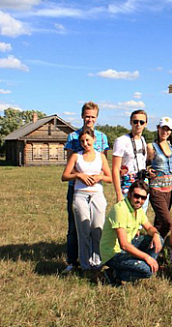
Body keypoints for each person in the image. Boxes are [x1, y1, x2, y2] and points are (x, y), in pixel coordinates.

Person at [62, 101, 109, 274]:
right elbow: (70, 163)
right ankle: (73, 261)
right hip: (77, 186)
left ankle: (96, 260)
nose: (89, 119)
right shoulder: (73, 137)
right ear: (82, 116)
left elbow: (103, 162)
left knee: (97, 227)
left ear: (97, 118)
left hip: (96, 188)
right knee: (76, 227)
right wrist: (81, 175)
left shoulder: (102, 138)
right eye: (87, 116)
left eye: (93, 116)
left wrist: (97, 177)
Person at [99, 180, 164, 284]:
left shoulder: (138, 210)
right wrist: (147, 257)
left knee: (158, 239)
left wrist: (155, 234)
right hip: (113, 254)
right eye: (136, 196)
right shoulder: (120, 210)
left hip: (128, 246)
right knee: (147, 271)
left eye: (143, 198)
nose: (139, 200)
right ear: (129, 194)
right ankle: (115, 274)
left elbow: (149, 227)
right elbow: (124, 245)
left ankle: (134, 266)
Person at [112, 110, 149, 213]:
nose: (138, 124)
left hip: (142, 184)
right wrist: (118, 193)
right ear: (130, 122)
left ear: (145, 124)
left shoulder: (143, 140)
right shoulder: (121, 141)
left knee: (139, 220)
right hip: (128, 185)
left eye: (141, 122)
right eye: (135, 121)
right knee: (126, 219)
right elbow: (115, 168)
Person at [146, 116, 172, 237]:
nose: (165, 132)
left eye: (168, 129)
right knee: (167, 222)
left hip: (168, 191)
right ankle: (153, 245)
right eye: (163, 128)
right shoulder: (151, 147)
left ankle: (154, 251)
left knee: (159, 223)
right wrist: (148, 171)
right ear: (158, 128)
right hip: (156, 189)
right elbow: (145, 165)